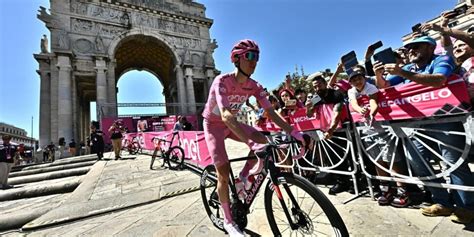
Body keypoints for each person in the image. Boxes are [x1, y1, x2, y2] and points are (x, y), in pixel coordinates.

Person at [202, 39, 306, 236]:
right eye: (249, 56)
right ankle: (228, 221)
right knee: (223, 174)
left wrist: (292, 131)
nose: (254, 61)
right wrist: (250, 142)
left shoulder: (255, 86)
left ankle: (243, 177)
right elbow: (225, 115)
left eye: (256, 57)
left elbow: (271, 113)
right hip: (214, 125)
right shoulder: (221, 81)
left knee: (263, 140)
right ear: (236, 59)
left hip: (231, 123)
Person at [374, 35, 474, 223]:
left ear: (430, 47)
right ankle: (442, 202)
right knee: (417, 161)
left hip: (445, 118)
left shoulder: (442, 59)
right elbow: (384, 86)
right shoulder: (408, 67)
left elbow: (439, 80)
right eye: (409, 48)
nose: (410, 51)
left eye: (416, 47)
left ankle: (467, 207)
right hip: (417, 123)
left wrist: (404, 75)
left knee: (453, 162)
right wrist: (379, 75)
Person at [305, 73, 352, 194]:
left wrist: (331, 129)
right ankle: (341, 181)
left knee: (346, 156)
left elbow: (337, 113)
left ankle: (350, 181)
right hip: (326, 132)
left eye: (319, 85)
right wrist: (308, 107)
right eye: (315, 87)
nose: (317, 88)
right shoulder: (316, 98)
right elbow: (309, 114)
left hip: (338, 130)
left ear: (325, 83)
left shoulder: (336, 94)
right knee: (332, 158)